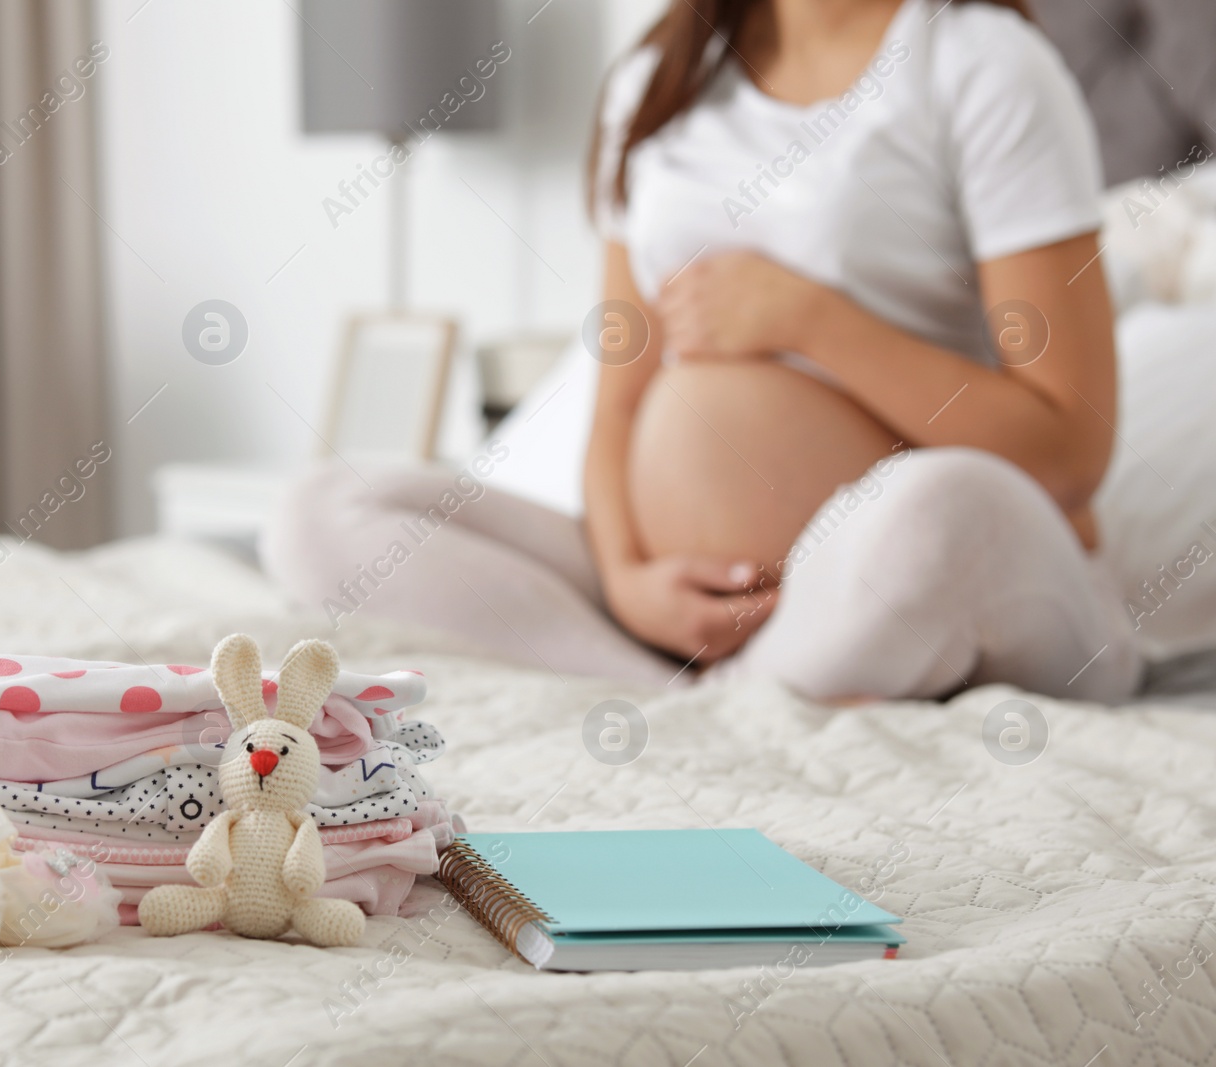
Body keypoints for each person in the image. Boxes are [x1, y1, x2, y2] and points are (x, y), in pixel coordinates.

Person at [263, 0, 1142, 703]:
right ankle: (686, 702)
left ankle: (746, 699)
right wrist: (625, 576)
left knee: (939, 506)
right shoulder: (658, 82)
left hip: (935, 568)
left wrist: (811, 319)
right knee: (322, 511)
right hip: (672, 615)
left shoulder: (981, 64)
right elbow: (617, 403)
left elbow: (1070, 445)